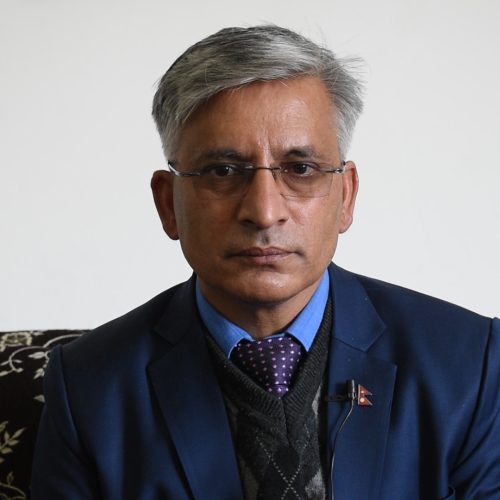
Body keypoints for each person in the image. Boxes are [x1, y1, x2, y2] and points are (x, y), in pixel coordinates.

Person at [31, 25, 499, 500]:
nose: (264, 210)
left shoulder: (470, 365)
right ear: (168, 203)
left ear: (346, 196)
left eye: (300, 169)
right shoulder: (88, 386)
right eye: (223, 171)